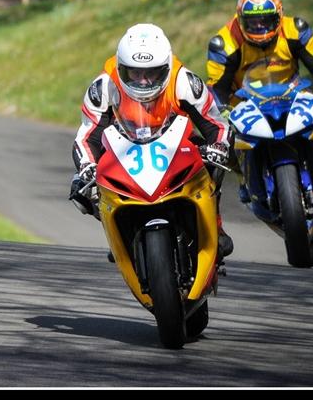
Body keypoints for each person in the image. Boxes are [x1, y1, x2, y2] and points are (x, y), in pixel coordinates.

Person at [70, 23, 235, 259]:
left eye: (152, 72)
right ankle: (120, 235)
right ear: (121, 67)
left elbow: (217, 124)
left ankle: (213, 224)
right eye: (135, 73)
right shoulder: (104, 86)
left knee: (215, 163)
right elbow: (87, 135)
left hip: (176, 146)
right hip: (124, 149)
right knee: (81, 190)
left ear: (165, 67)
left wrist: (218, 146)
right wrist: (88, 166)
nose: (143, 81)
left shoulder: (184, 81)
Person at [205, 0, 313, 204]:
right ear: (240, 18)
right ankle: (244, 175)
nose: (259, 28)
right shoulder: (224, 43)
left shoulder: (295, 29)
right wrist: (221, 109)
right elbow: (217, 86)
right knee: (222, 136)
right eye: (251, 22)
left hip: (292, 94)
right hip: (245, 102)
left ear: (278, 16)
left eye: (265, 20)